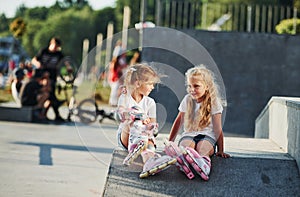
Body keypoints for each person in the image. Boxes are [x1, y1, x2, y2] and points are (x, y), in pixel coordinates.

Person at [164, 65, 230, 181]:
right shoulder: (187, 99)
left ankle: (204, 164)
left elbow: (217, 128)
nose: (192, 90)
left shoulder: (214, 103)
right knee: (186, 147)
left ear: (207, 86)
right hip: (189, 134)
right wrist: (170, 142)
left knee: (202, 149)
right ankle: (183, 160)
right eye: (189, 86)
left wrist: (220, 150)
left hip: (207, 136)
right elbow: (178, 122)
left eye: (196, 86)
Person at [116, 63, 176, 178]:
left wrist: (150, 126)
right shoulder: (125, 98)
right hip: (126, 136)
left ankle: (149, 163)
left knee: (147, 141)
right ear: (138, 84)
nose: (152, 87)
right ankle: (136, 146)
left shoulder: (150, 102)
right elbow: (122, 116)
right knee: (134, 117)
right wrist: (139, 117)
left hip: (143, 136)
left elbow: (153, 130)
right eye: (150, 84)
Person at [31, 37, 65, 121]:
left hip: (52, 77)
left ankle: (45, 114)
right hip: (43, 76)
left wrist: (69, 67)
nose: (55, 49)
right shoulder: (44, 51)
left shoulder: (59, 54)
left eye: (57, 47)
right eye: (55, 46)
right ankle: (53, 114)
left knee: (51, 96)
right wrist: (38, 63)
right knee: (50, 96)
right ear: (51, 44)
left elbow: (65, 61)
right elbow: (34, 60)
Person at [108, 40, 128, 107]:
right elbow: (121, 66)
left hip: (117, 75)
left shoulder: (119, 59)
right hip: (116, 75)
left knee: (116, 89)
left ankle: (114, 102)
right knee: (115, 89)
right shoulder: (118, 60)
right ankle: (113, 102)